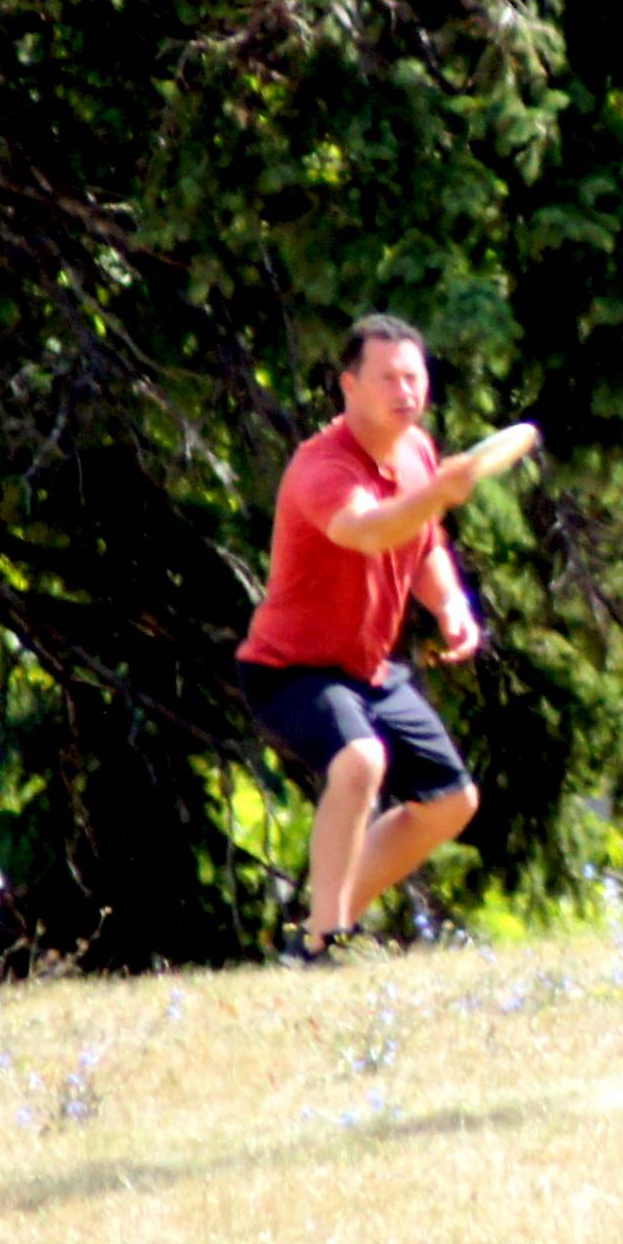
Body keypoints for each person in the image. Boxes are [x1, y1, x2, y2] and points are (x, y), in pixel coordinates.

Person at [235, 315, 490, 964]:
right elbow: (371, 531)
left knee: (451, 802)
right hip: (289, 671)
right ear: (349, 386)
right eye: (388, 378)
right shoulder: (320, 469)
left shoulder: (417, 451)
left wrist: (451, 603)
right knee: (360, 761)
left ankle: (324, 925)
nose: (406, 390)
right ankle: (326, 943)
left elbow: (423, 543)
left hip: (370, 669)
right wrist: (436, 494)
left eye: (415, 376)